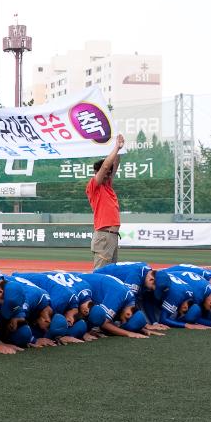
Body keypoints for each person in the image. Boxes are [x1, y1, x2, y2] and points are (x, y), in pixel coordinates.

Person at [86, 133, 126, 269]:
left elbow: (114, 165)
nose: (109, 174)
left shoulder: (107, 186)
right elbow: (105, 167)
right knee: (101, 273)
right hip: (104, 236)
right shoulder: (94, 186)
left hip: (111, 237)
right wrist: (115, 148)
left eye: (110, 173)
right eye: (106, 172)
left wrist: (120, 149)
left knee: (111, 273)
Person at [79, 272, 154, 338]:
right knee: (89, 321)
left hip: (84, 282)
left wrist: (141, 328)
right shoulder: (118, 296)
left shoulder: (130, 300)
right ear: (128, 314)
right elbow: (103, 323)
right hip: (76, 284)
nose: (121, 323)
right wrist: (128, 333)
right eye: (123, 321)